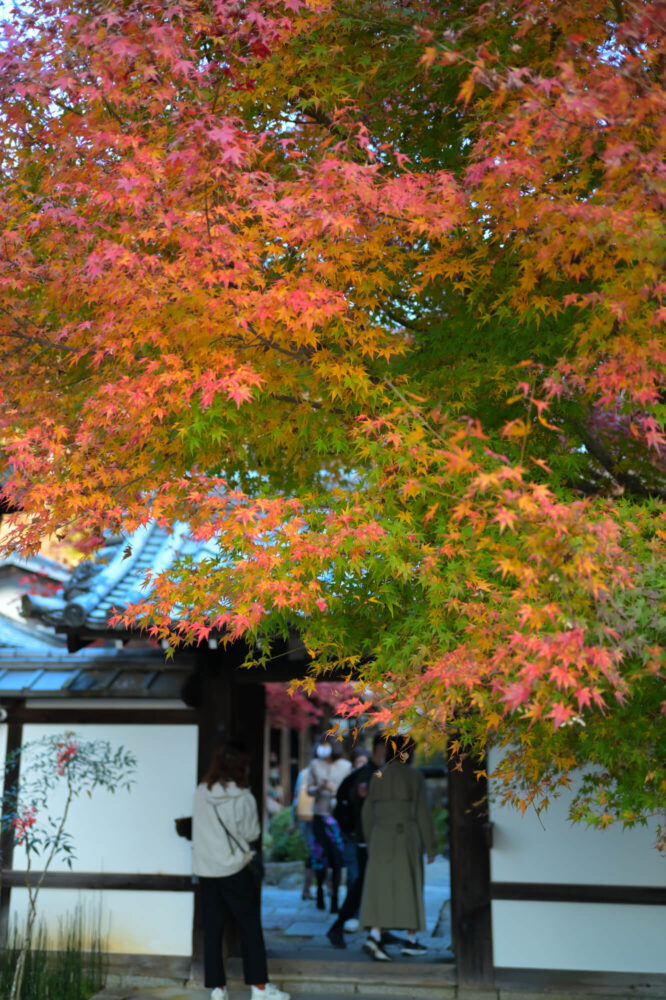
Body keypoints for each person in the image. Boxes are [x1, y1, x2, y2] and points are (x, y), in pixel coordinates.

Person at [192, 742, 290, 1000]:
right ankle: (258, 988)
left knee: (212, 931)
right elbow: (252, 834)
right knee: (249, 929)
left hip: (207, 871)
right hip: (235, 869)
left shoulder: (201, 792)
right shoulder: (243, 797)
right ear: (241, 768)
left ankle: (217, 989)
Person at [359, 735, 437, 962]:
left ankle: (374, 934)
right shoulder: (414, 777)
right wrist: (430, 846)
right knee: (410, 884)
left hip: (380, 836)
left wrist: (369, 839)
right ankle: (411, 939)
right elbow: (422, 812)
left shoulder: (378, 776)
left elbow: (367, 813)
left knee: (379, 886)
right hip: (406, 837)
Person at [326, 734, 386, 949]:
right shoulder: (369, 774)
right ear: (379, 749)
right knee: (361, 885)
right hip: (364, 838)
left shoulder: (372, 772)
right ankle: (338, 926)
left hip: (366, 836)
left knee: (367, 885)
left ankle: (378, 931)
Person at [307, 735, 351, 913]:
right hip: (319, 814)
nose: (322, 748)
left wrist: (335, 791)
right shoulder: (315, 765)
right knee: (319, 855)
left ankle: (334, 898)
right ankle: (319, 892)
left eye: (325, 744)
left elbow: (348, 791)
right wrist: (318, 788)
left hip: (337, 817)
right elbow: (309, 789)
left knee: (336, 857)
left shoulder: (346, 767)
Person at [290, 761, 315, 900]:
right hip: (311, 818)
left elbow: (296, 800)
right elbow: (298, 799)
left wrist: (294, 821)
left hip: (309, 818)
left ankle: (307, 889)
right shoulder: (306, 774)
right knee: (315, 855)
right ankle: (309, 889)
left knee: (313, 854)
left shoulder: (304, 773)